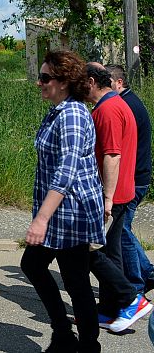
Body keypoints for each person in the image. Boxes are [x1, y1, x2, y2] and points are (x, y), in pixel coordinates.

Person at [20, 51, 104, 352]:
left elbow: (66, 171)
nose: (39, 83)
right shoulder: (58, 110)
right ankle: (64, 335)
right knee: (41, 267)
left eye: (45, 78)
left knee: (74, 280)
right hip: (60, 211)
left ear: (65, 82)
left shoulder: (71, 114)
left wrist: (41, 219)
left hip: (72, 212)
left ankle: (84, 344)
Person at [85, 62, 151, 332]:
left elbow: (112, 154)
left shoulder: (109, 109)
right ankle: (110, 308)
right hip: (122, 190)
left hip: (115, 194)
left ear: (90, 82)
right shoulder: (115, 104)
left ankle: (131, 300)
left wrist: (106, 198)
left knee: (97, 252)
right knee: (111, 251)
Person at [106, 64, 154, 294]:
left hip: (133, 178)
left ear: (119, 83)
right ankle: (147, 272)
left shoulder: (125, 106)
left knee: (121, 230)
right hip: (137, 175)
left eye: (109, 83)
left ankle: (136, 283)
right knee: (122, 229)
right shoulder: (129, 102)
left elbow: (117, 151)